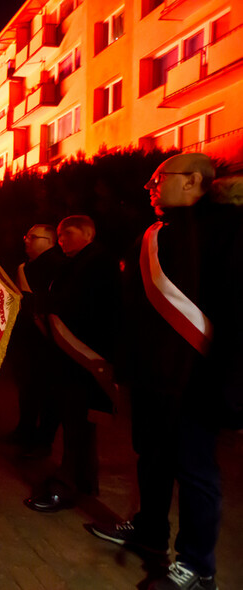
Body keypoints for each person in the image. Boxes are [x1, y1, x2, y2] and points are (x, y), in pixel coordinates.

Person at [85, 154, 243, 590]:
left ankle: (198, 567)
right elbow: (132, 308)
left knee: (195, 472)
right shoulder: (154, 234)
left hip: (198, 379)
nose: (151, 187)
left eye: (159, 179)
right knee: (151, 460)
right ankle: (150, 534)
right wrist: (125, 365)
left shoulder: (229, 230)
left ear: (194, 180)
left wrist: (229, 387)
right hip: (151, 376)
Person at [25, 215, 120, 512]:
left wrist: (37, 301)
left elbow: (75, 303)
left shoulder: (97, 263)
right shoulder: (79, 262)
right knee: (77, 422)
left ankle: (65, 487)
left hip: (83, 358)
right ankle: (83, 480)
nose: (61, 239)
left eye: (68, 233)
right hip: (72, 358)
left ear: (88, 234)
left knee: (78, 422)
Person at [9, 225, 66, 457]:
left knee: (45, 390)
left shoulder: (56, 266)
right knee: (27, 387)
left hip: (45, 339)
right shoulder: (29, 266)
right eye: (26, 236)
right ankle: (25, 430)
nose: (27, 240)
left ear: (50, 241)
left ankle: (41, 441)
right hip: (27, 337)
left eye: (33, 237)